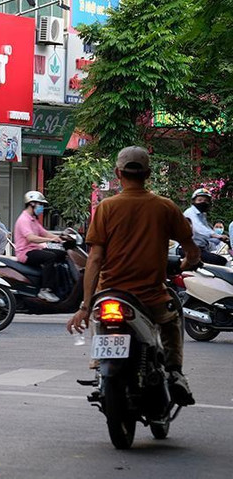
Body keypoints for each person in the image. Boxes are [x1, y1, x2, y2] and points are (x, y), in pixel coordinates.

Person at [67, 146, 199, 406]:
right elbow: (191, 250)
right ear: (148, 174)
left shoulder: (106, 208)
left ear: (118, 173)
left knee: (99, 318)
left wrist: (85, 305)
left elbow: (94, 259)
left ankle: (98, 366)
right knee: (172, 323)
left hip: (109, 294)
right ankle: (175, 373)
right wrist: (187, 263)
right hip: (150, 297)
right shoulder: (165, 207)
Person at [14, 190, 64, 302]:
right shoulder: (24, 219)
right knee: (50, 257)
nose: (41, 207)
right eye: (40, 204)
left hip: (35, 249)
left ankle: (59, 285)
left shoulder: (34, 219)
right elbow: (31, 238)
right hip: (25, 253)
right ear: (32, 203)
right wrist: (51, 239)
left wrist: (61, 238)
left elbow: (44, 232)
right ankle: (45, 290)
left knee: (61, 254)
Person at [183, 188, 227, 265]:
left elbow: (207, 228)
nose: (203, 202)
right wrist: (217, 236)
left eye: (206, 201)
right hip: (188, 249)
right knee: (221, 261)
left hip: (200, 248)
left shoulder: (202, 215)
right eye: (200, 200)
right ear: (194, 201)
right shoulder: (190, 212)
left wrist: (221, 238)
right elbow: (199, 228)